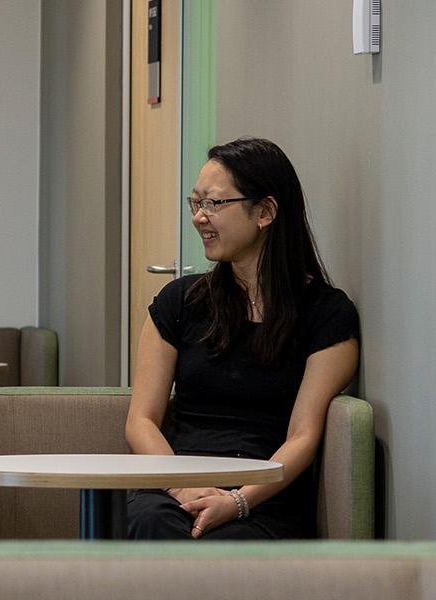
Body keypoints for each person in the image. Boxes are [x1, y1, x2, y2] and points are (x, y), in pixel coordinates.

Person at [124, 137, 361, 540]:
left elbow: (303, 435)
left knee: (229, 546)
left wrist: (238, 500)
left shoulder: (327, 314)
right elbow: (141, 421)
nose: (199, 216)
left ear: (265, 212)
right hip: (175, 489)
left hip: (268, 498)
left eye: (214, 203)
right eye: (195, 203)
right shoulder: (178, 302)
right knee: (155, 525)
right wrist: (185, 487)